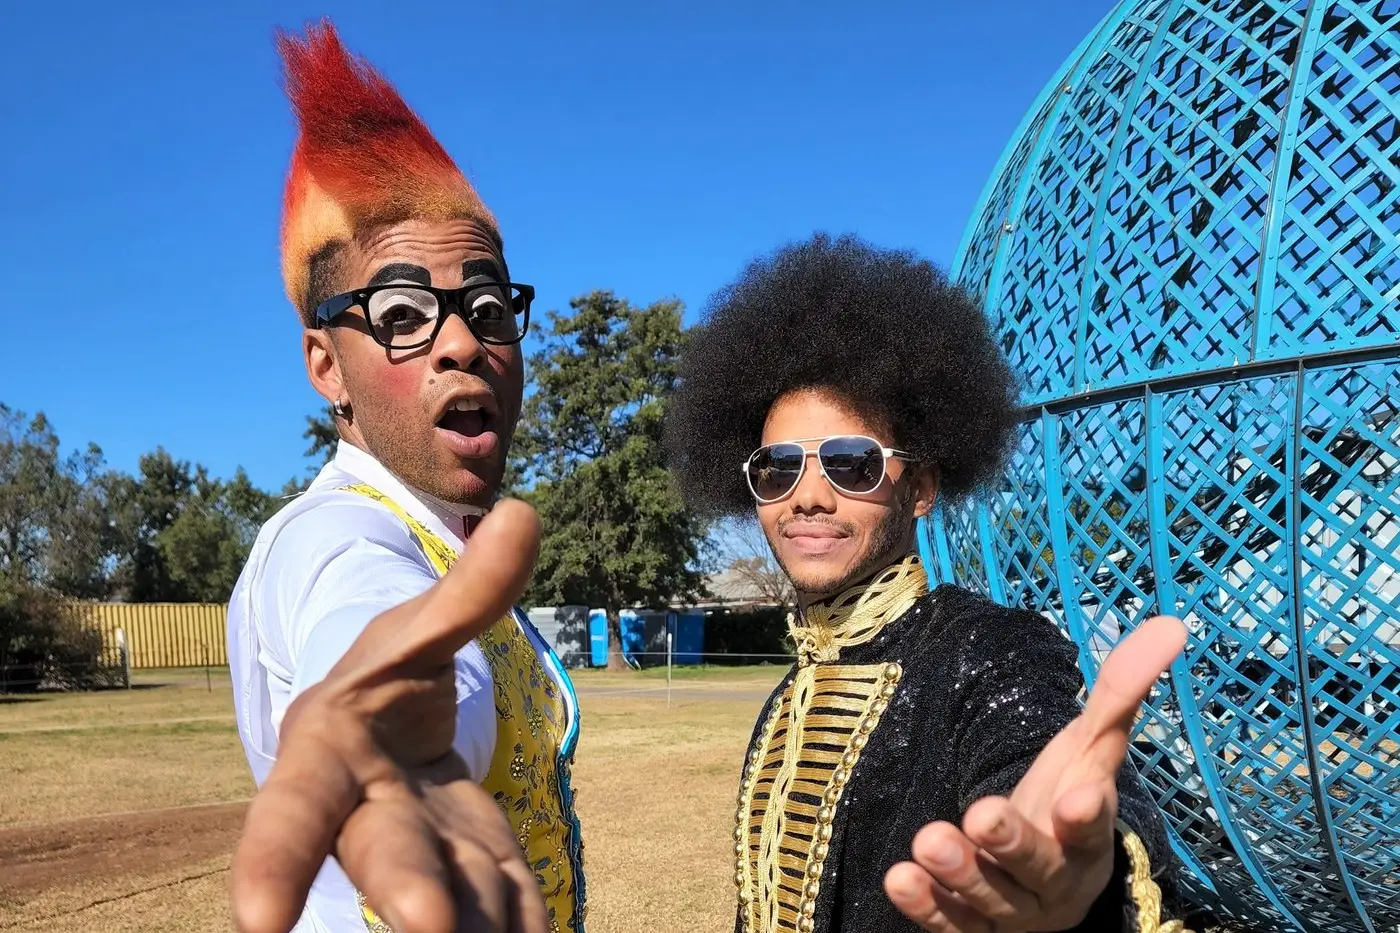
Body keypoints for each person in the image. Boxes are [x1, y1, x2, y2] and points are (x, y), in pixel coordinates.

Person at [663, 233, 1189, 933]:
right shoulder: (788, 696)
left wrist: (1072, 876)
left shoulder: (987, 651)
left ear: (921, 488)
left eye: (851, 464)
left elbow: (1036, 767)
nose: (808, 496)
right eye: (777, 467)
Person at [226, 22, 583, 933]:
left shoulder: (451, 536)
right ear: (326, 366)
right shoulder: (334, 535)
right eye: (402, 312)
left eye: (490, 305)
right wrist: (378, 726)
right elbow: (367, 627)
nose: (463, 340)